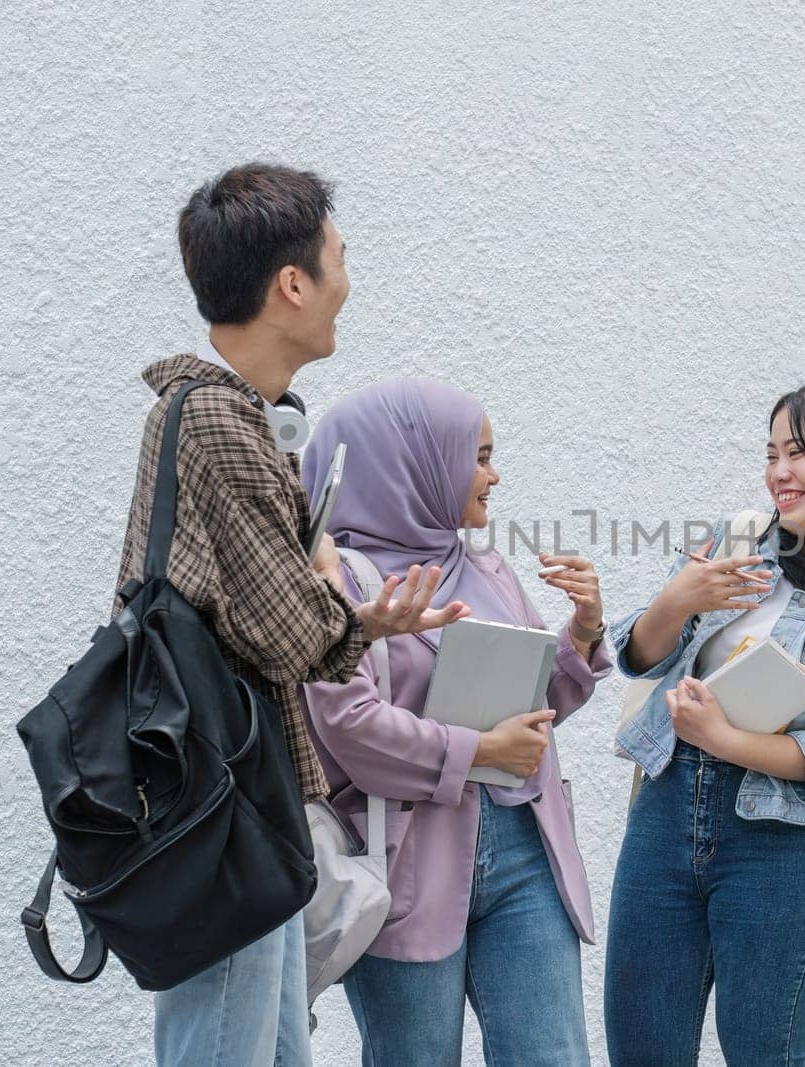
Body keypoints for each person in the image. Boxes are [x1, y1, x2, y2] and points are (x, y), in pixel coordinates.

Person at [116, 163, 463, 1066]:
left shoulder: (235, 415)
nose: (348, 282)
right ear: (293, 283)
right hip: (221, 803)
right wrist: (355, 614)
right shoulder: (217, 421)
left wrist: (341, 610)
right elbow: (291, 629)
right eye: (340, 258)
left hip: (239, 799)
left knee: (267, 1050)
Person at [604, 379, 805, 1065]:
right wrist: (677, 598)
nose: (780, 470)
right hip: (665, 814)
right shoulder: (737, 539)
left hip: (779, 845)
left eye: (803, 453)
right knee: (642, 1049)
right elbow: (636, 654)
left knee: (763, 1053)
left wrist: (725, 738)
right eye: (773, 452)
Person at [302, 378, 612, 1066]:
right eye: (477, 455)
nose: (493, 474)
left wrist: (583, 633)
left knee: (554, 1057)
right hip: (408, 862)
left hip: (527, 851)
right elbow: (348, 727)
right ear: (412, 462)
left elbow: (537, 707)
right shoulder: (338, 584)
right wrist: (477, 750)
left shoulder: (486, 567)